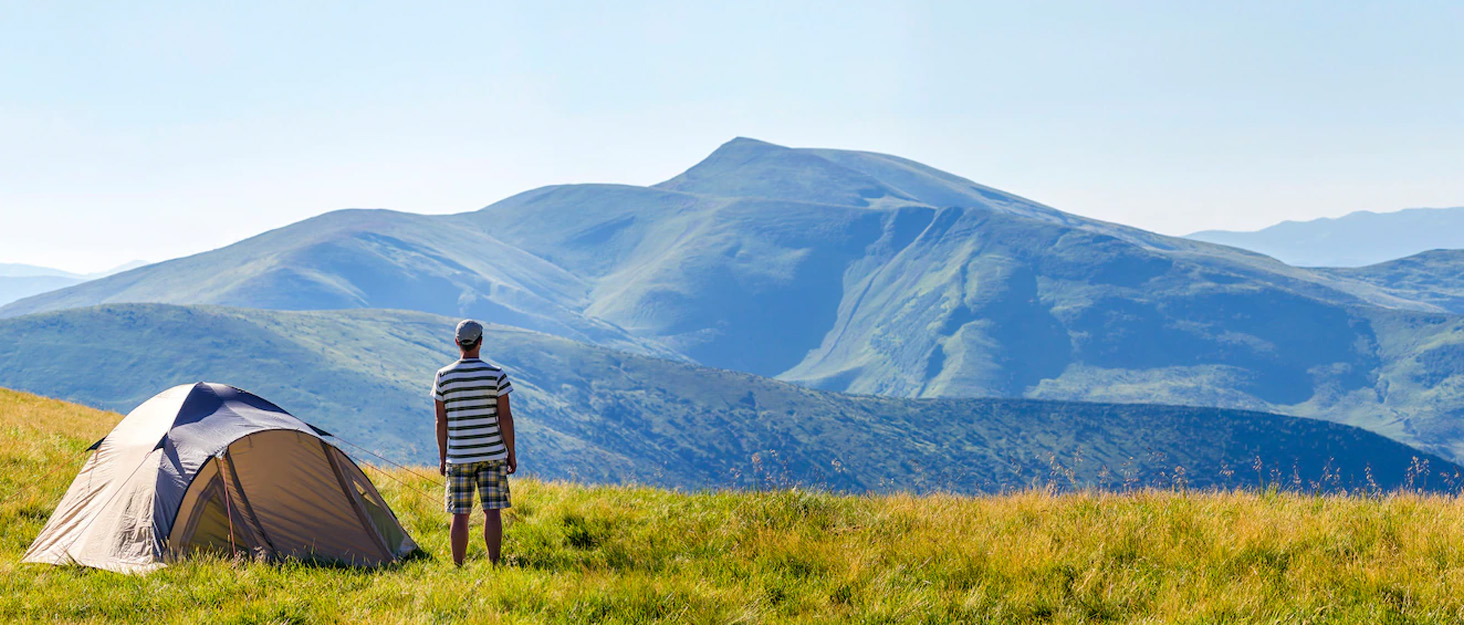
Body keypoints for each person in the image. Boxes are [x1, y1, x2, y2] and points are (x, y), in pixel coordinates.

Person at [432, 319, 517, 566]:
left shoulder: (442, 376)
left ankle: (458, 566)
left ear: (457, 342)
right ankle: (494, 563)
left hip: (458, 456)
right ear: (481, 342)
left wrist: (442, 457)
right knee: (492, 512)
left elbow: (441, 422)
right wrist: (510, 453)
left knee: (460, 516)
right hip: (492, 453)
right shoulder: (496, 375)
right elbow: (505, 417)